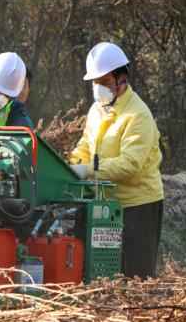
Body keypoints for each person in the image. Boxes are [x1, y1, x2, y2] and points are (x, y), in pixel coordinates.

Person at [69, 42, 164, 279]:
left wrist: (87, 170)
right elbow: (86, 144)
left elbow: (130, 164)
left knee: (136, 277)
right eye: (95, 82)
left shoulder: (138, 114)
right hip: (105, 202)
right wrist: (71, 165)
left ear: (123, 79)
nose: (98, 87)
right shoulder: (97, 109)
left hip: (137, 205)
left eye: (105, 82)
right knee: (101, 275)